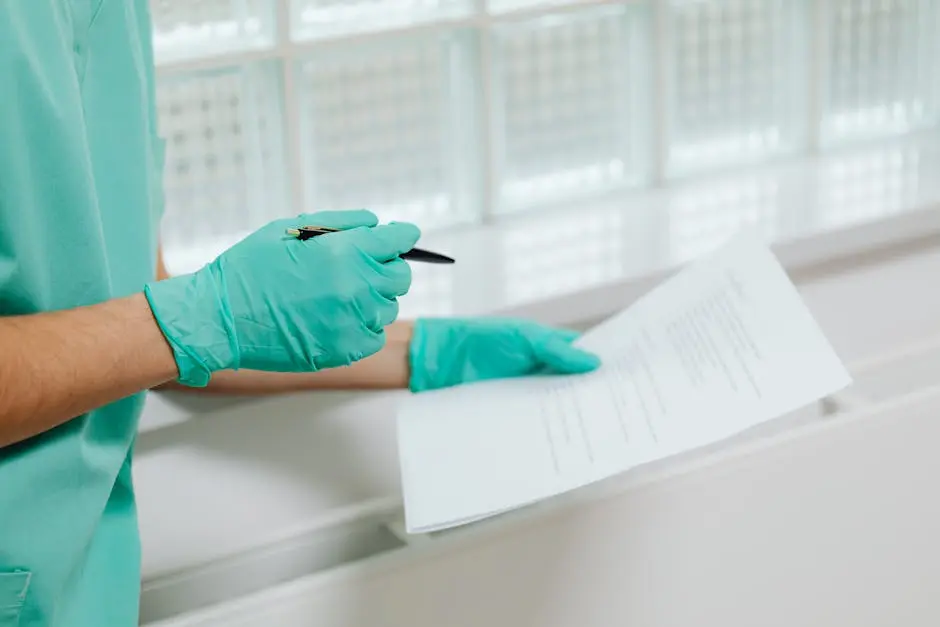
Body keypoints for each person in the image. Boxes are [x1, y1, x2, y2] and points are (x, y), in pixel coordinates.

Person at [0, 3, 601, 626]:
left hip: (84, 589)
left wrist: (424, 351)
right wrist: (213, 308)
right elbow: (177, 322)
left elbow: (132, 318)